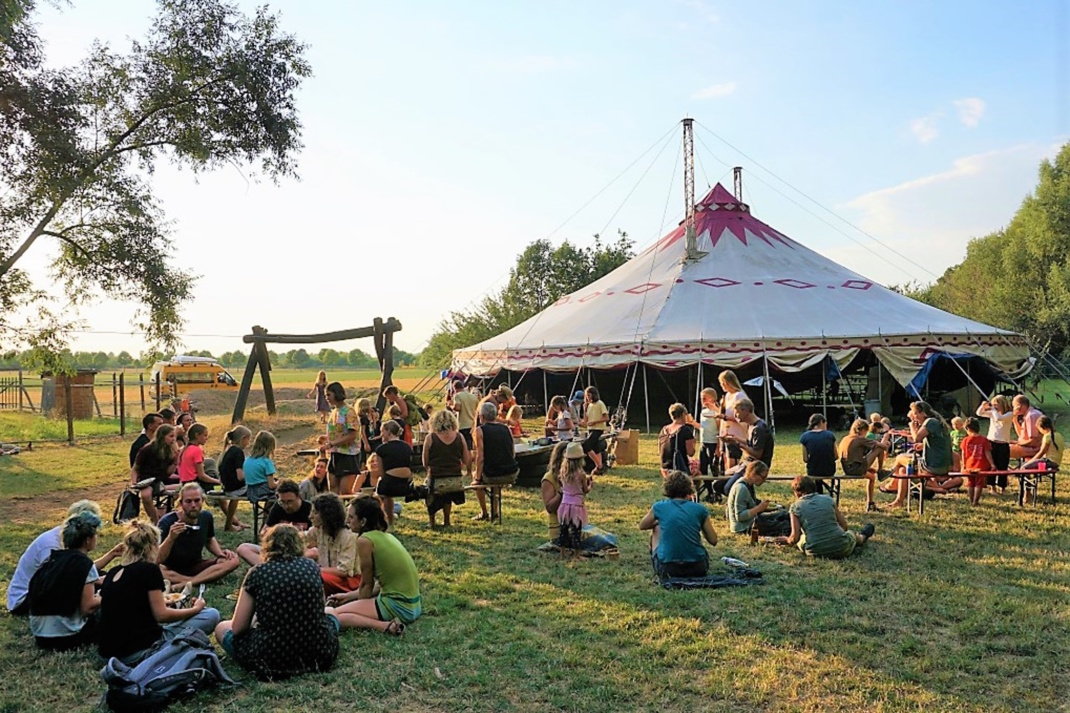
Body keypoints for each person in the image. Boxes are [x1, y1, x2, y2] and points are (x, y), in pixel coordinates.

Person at [217, 524, 340, 680]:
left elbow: (238, 628)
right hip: (320, 654)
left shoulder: (258, 572)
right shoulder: (312, 567)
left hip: (270, 659)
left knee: (222, 628)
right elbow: (320, 610)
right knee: (332, 612)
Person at [97, 520, 220, 665]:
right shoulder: (149, 570)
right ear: (153, 547)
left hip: (106, 653)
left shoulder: (113, 572)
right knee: (210, 615)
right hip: (138, 651)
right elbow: (162, 615)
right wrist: (195, 609)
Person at [325, 497, 420, 636]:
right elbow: (379, 585)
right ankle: (384, 624)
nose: (347, 521)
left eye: (351, 517)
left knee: (330, 615)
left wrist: (360, 607)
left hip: (398, 607)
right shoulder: (386, 536)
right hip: (413, 607)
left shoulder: (365, 540)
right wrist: (348, 596)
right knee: (341, 611)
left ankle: (384, 626)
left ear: (363, 521)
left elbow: (366, 585)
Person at [8, 500, 122, 615]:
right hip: (25, 599)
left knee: (100, 576)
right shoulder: (51, 545)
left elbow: (83, 569)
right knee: (100, 587)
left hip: (41, 591)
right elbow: (58, 580)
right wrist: (96, 582)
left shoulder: (67, 538)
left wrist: (112, 554)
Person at [27, 512, 106, 650]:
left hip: (40, 637)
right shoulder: (84, 564)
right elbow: (87, 608)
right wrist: (105, 594)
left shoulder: (53, 560)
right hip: (67, 638)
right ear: (88, 540)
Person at [639, 470, 718, 579]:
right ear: (689, 488)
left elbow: (642, 525)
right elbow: (713, 540)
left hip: (667, 569)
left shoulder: (659, 507)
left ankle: (662, 555)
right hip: (697, 568)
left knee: (656, 527)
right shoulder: (700, 509)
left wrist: (660, 521)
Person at [157, 483, 240, 585]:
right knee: (156, 569)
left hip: (195, 565)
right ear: (181, 503)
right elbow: (158, 558)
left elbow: (209, 540)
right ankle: (197, 580)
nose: (193, 505)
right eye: (188, 501)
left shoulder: (206, 517)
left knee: (233, 561)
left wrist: (221, 554)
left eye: (197, 500)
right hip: (171, 569)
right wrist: (171, 538)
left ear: (202, 501)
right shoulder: (166, 522)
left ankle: (188, 582)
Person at [781, 476, 875, 558]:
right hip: (842, 548)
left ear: (797, 493)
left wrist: (786, 540)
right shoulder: (828, 499)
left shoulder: (795, 507)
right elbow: (844, 526)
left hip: (814, 551)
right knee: (851, 534)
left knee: (802, 539)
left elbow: (794, 538)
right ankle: (862, 537)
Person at [888, 401, 958, 508]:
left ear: (922, 413)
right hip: (943, 465)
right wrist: (924, 446)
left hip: (934, 466)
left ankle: (891, 483)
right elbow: (938, 444)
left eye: (915, 414)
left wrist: (912, 426)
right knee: (903, 471)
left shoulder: (930, 422)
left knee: (899, 457)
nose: (915, 418)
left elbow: (916, 438)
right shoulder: (937, 422)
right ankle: (899, 501)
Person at [236, 479, 313, 566]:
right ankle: (270, 568)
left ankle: (270, 567)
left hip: (300, 552)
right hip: (276, 552)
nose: (286, 506)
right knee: (243, 548)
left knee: (314, 552)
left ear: (299, 496)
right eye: (283, 502)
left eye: (290, 502)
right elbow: (263, 532)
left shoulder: (310, 509)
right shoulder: (278, 507)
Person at [422, 409, 470, 528]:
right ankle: (447, 520)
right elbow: (466, 460)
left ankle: (432, 521)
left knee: (429, 493)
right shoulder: (460, 437)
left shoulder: (430, 438)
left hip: (436, 479)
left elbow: (425, 462)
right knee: (447, 494)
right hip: (455, 480)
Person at [304, 492, 361, 594]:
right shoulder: (318, 530)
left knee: (312, 577)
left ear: (327, 515)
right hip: (326, 575)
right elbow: (301, 540)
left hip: (349, 582)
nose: (310, 516)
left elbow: (344, 571)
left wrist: (315, 569)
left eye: (315, 513)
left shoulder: (348, 536)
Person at [471, 401, 519, 521]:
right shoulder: (506, 429)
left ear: (481, 416)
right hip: (512, 472)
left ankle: (484, 512)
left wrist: (476, 478)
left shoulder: (479, 431)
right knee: (494, 472)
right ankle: (495, 511)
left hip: (493, 474)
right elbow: (512, 452)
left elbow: (480, 457)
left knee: (477, 480)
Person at [129, 423, 180, 524]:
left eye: (174, 436)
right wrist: (134, 482)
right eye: (171, 436)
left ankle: (163, 513)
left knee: (183, 488)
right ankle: (155, 520)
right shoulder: (147, 449)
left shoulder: (169, 450)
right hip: (147, 479)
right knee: (146, 496)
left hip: (161, 479)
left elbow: (168, 473)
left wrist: (175, 461)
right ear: (162, 436)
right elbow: (135, 468)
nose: (173, 439)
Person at [838, 418, 890, 511]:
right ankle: (881, 471)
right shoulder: (860, 439)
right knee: (879, 448)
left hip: (848, 468)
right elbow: (883, 447)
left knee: (871, 477)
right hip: (856, 469)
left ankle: (870, 503)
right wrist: (886, 437)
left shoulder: (846, 438)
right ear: (862, 430)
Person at [726, 461, 789, 536]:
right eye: (763, 477)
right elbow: (740, 516)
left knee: (784, 514)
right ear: (753, 474)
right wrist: (759, 508)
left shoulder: (748, 485)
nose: (764, 480)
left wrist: (771, 508)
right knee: (785, 525)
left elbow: (752, 506)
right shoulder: (741, 488)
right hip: (744, 528)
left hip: (752, 520)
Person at [372, 420, 414, 527]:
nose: (381, 435)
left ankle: (387, 522)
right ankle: (390, 519)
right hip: (406, 483)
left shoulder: (381, 449)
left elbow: (381, 473)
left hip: (390, 484)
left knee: (383, 493)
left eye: (382, 432)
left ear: (388, 431)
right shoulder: (407, 447)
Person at [325, 381, 361, 494]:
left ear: (336, 394)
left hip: (348, 454)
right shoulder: (334, 412)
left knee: (345, 491)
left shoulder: (349, 411)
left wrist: (333, 443)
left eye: (328, 395)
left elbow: (352, 435)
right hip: (335, 453)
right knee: (333, 487)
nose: (327, 398)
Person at [556, 442, 592, 546]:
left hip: (564, 504)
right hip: (577, 506)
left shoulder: (563, 472)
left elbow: (562, 484)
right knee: (576, 531)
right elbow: (585, 490)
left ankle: (563, 551)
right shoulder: (581, 474)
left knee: (564, 530)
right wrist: (590, 485)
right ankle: (576, 554)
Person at [976, 395, 1014, 493]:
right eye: (994, 404)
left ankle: (1002, 487)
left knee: (1003, 465)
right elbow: (979, 413)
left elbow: (999, 418)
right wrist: (983, 405)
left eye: (997, 404)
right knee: (991, 465)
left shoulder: (1009, 414)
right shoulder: (993, 413)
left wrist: (993, 410)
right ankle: (992, 486)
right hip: (992, 442)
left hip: (1003, 443)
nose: (995, 406)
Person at [218, 425, 251, 531]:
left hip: (228, 487)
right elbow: (240, 476)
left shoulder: (228, 450)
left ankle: (231, 524)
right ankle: (229, 525)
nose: (248, 443)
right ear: (243, 439)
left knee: (234, 498)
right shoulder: (238, 452)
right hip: (236, 488)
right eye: (248, 440)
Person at [540, 441, 571, 543]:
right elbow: (550, 508)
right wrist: (562, 492)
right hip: (559, 530)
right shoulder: (549, 478)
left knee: (606, 539)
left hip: (575, 525)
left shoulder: (573, 476)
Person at [960, 417, 995, 506]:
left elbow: (963, 454)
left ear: (968, 428)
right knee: (979, 484)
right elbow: (988, 453)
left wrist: (964, 464)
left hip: (969, 465)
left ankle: (971, 500)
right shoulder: (984, 440)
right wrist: (992, 464)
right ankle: (976, 501)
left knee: (970, 483)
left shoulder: (965, 440)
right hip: (981, 465)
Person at [718, 370, 749, 469]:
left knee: (733, 465)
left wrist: (725, 417)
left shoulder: (739, 396)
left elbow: (743, 417)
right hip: (726, 433)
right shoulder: (727, 396)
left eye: (722, 383)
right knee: (726, 463)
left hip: (736, 434)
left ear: (727, 382)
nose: (721, 385)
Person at [177, 423, 219, 489]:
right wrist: (218, 481)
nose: (207, 438)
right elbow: (201, 476)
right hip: (194, 483)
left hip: (184, 482)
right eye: (205, 435)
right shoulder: (196, 450)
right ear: (197, 435)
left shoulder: (184, 449)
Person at [658, 402, 695, 477]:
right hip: (679, 469)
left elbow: (660, 450)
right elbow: (691, 453)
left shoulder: (663, 430)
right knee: (697, 470)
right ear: (682, 414)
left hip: (664, 469)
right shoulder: (685, 430)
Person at [579, 386, 610, 474]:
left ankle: (599, 466)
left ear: (593, 395)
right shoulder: (589, 406)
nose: (587, 397)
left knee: (586, 445)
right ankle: (599, 468)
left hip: (598, 429)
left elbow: (606, 417)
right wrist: (584, 409)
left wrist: (595, 422)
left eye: (589, 395)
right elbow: (585, 421)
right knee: (596, 448)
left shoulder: (600, 404)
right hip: (591, 429)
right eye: (586, 396)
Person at [799, 412, 837, 484]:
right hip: (829, 470)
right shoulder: (830, 435)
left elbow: (805, 459)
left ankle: (818, 490)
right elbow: (836, 456)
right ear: (821, 422)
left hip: (813, 471)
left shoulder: (804, 437)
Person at [243, 430, 279, 504]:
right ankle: (269, 513)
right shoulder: (267, 462)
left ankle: (266, 513)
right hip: (263, 491)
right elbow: (271, 485)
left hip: (250, 491)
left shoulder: (246, 460)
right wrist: (279, 483)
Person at [1010, 395, 1044, 460]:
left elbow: (1033, 441)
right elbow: (1022, 436)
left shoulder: (1031, 416)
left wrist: (1016, 443)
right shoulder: (1030, 414)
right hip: (1030, 447)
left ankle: (998, 469)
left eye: (1014, 406)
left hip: (1033, 449)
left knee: (1001, 450)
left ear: (1019, 405)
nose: (1013, 409)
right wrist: (1015, 420)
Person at [698, 387, 722, 477]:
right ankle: (709, 489)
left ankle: (716, 487)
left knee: (714, 468)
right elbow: (703, 427)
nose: (702, 400)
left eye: (704, 398)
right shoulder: (704, 412)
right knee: (702, 468)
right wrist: (692, 423)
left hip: (713, 443)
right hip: (703, 442)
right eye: (701, 398)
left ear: (712, 399)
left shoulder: (717, 412)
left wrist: (718, 447)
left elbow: (720, 429)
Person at [448, 379, 478, 452]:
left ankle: (465, 461)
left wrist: (451, 406)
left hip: (463, 424)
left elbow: (457, 408)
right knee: (471, 447)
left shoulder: (457, 396)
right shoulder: (473, 396)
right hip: (473, 425)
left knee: (464, 448)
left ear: (455, 388)